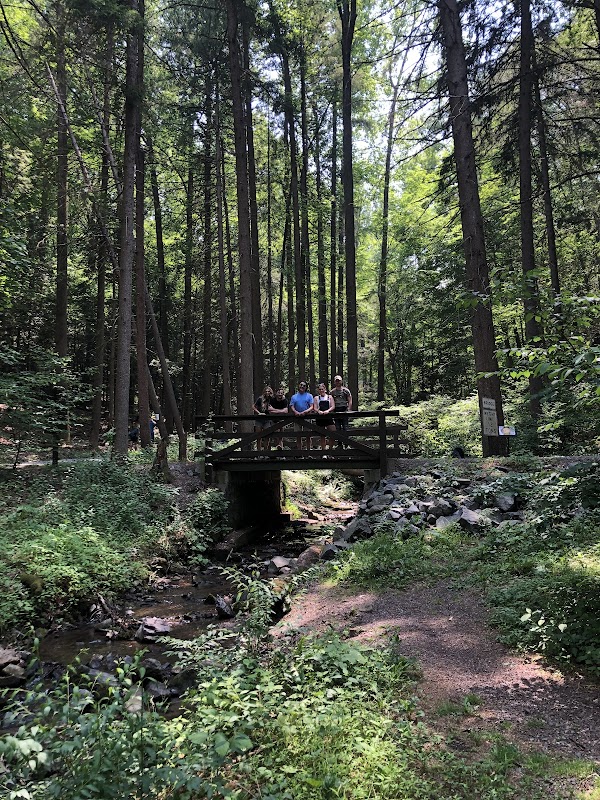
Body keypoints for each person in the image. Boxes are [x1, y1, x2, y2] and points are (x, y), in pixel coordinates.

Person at [289, 381, 313, 450]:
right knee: (298, 435)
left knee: (308, 435)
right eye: (301, 385)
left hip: (307, 416)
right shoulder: (294, 396)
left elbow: (312, 406)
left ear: (306, 387)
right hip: (297, 417)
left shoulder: (309, 396)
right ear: (298, 386)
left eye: (304, 385)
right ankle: (299, 451)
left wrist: (305, 412)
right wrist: (295, 412)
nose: (302, 386)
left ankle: (308, 451)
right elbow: (292, 406)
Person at [313, 383, 335, 452]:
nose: (321, 390)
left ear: (325, 389)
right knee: (322, 435)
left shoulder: (329, 397)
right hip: (320, 418)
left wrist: (328, 411)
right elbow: (315, 408)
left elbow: (333, 406)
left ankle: (330, 449)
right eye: (320, 389)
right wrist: (318, 411)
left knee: (333, 432)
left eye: (322, 389)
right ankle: (324, 451)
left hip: (328, 417)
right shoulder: (316, 398)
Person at [331, 375, 352, 445]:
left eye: (339, 381)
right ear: (334, 382)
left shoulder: (346, 390)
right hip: (336, 410)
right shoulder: (332, 392)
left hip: (344, 409)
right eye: (336, 381)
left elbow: (350, 400)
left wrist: (349, 409)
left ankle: (347, 443)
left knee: (345, 427)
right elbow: (330, 401)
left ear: (341, 381)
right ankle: (339, 444)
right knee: (337, 427)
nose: (338, 382)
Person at [252, 386, 274, 450]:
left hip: (267, 420)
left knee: (267, 435)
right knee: (258, 436)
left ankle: (265, 450)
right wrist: (259, 413)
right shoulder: (260, 399)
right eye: (266, 391)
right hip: (259, 419)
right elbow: (253, 407)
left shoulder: (272, 399)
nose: (267, 392)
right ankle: (259, 451)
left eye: (268, 391)